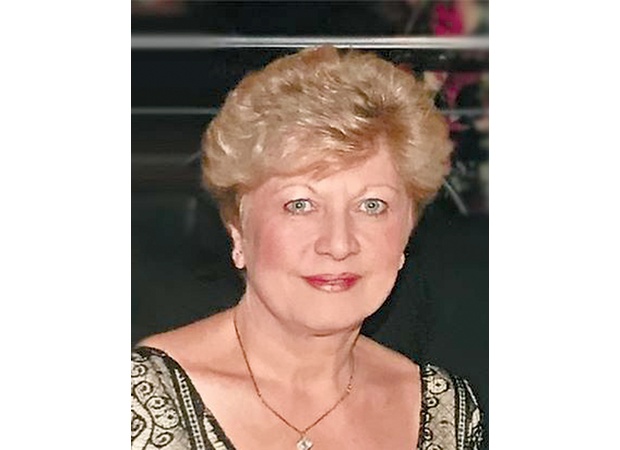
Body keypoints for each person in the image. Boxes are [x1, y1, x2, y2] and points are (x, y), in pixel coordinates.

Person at [131, 45, 484, 450]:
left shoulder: (445, 410)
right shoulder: (133, 401)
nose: (338, 244)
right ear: (238, 231)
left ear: (407, 231)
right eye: (300, 205)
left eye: (371, 206)